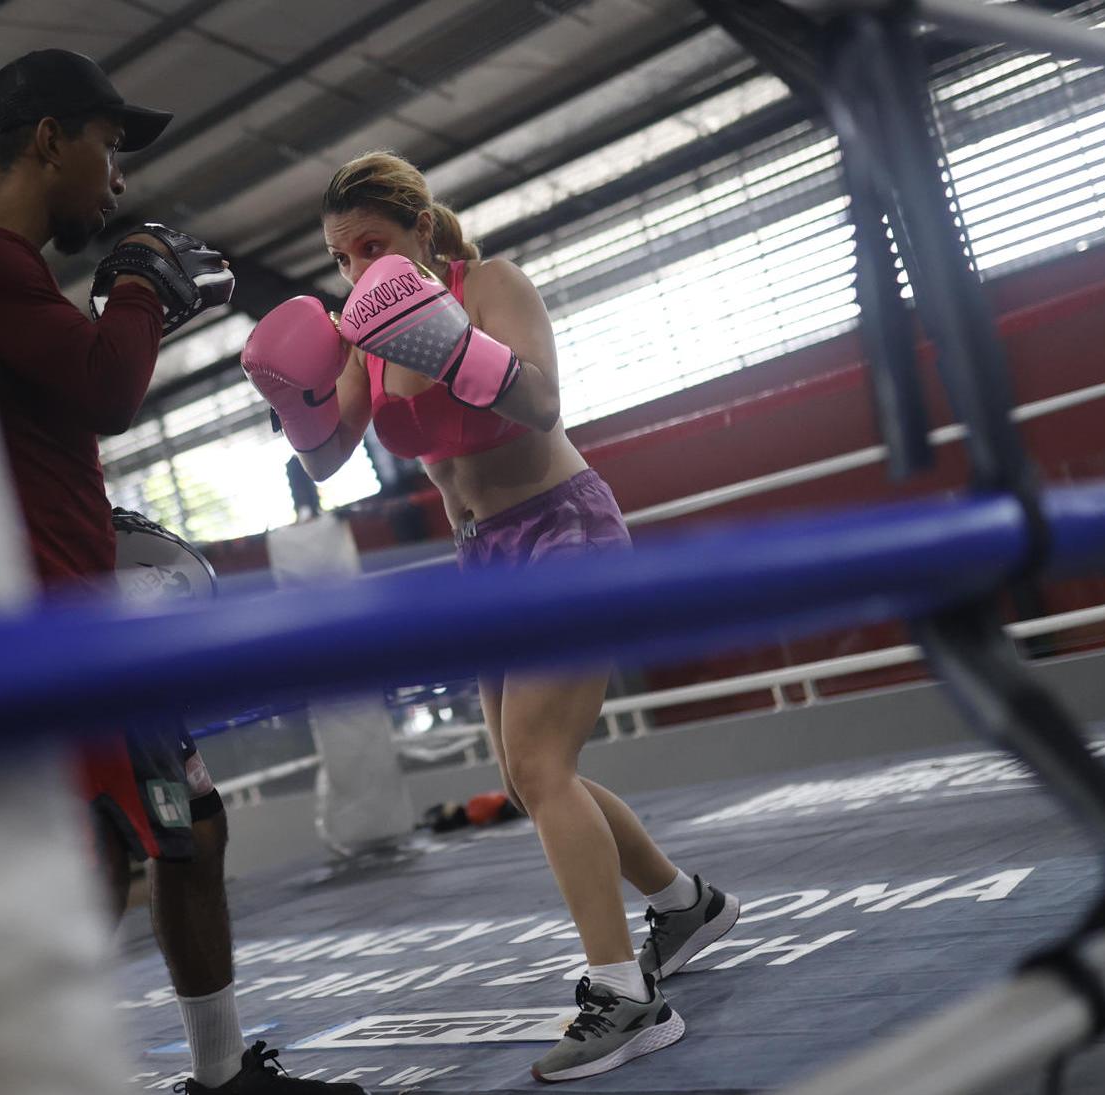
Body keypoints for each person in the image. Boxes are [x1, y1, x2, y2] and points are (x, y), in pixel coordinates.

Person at [241, 151, 742, 1083]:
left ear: (420, 230)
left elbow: (545, 400)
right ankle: (685, 904)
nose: (355, 271)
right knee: (525, 774)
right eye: (339, 257)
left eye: (371, 246)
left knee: (544, 766)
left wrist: (456, 344)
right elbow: (324, 462)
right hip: (482, 558)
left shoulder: (493, 285)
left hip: (563, 529)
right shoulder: (362, 336)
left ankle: (627, 997)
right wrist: (294, 395)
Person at [0, 49, 363, 1095]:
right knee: (90, 863)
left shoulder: (8, 274)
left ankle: (219, 1078)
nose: (117, 179)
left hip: (82, 600)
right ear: (51, 139)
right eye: (108, 146)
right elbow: (107, 387)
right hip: (45, 627)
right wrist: (135, 283)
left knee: (189, 835)